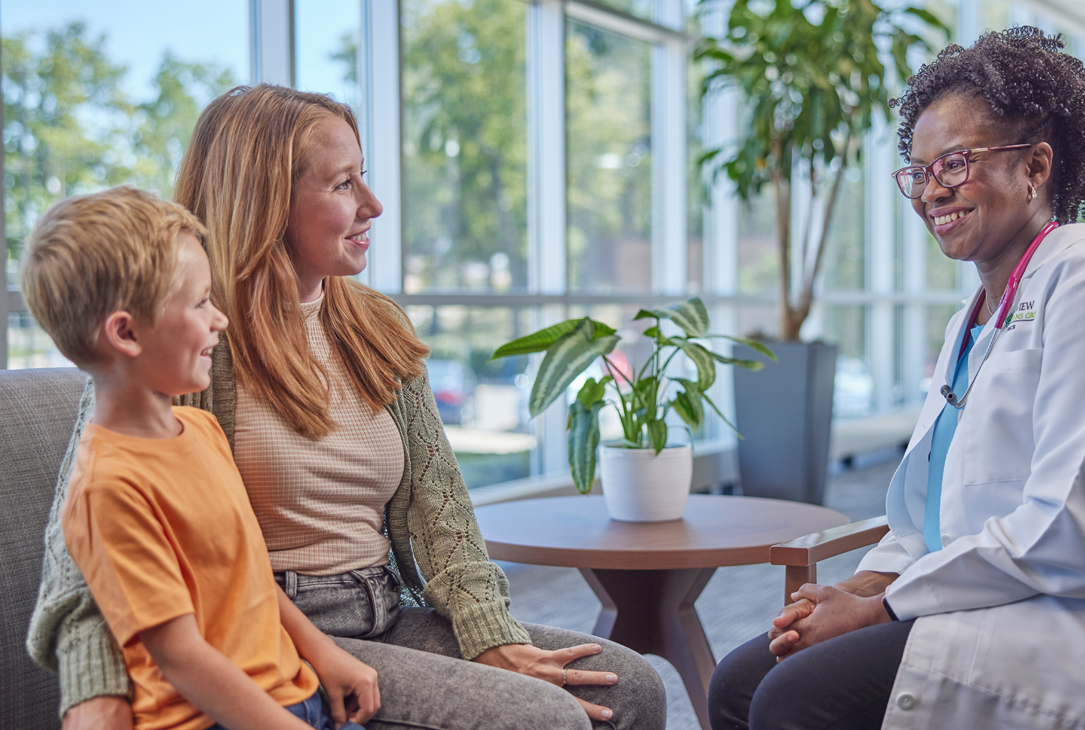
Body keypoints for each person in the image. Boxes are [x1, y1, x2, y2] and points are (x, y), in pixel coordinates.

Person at [27, 85, 666, 730]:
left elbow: (441, 507)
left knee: (633, 690)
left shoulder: (377, 325)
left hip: (383, 610)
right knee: (542, 720)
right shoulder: (180, 341)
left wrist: (489, 633)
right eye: (342, 184)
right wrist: (96, 702)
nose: (373, 204)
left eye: (364, 175)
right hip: (271, 637)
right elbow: (82, 557)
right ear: (266, 201)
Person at [708, 27, 1085, 730]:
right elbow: (931, 519)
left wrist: (881, 608)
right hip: (1000, 596)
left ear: (1036, 166)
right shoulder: (971, 320)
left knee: (794, 697)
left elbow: (1078, 531)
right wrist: (863, 583)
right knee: (738, 683)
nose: (931, 190)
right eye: (918, 171)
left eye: (955, 163)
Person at [21, 186, 380, 730]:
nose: (221, 320)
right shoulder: (106, 489)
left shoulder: (204, 429)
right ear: (126, 332)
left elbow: (248, 576)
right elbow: (182, 658)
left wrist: (323, 652)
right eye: (200, 303)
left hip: (294, 694)